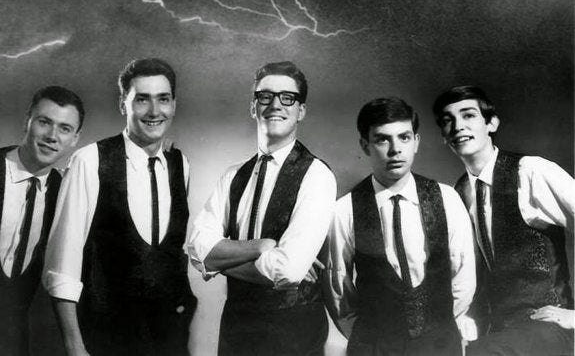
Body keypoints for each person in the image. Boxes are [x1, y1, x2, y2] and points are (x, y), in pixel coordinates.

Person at [43, 58, 196, 356]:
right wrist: (75, 349)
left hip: (169, 342)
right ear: (123, 104)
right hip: (105, 341)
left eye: (163, 99)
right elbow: (63, 266)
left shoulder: (181, 165)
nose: (154, 111)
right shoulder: (90, 161)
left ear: (174, 104)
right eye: (142, 99)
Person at [189, 61, 336, 356]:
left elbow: (287, 270)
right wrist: (262, 247)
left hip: (294, 337)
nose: (275, 105)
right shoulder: (233, 176)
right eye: (265, 96)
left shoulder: (317, 175)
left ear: (301, 111)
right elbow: (196, 249)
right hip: (236, 333)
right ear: (253, 107)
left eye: (287, 98)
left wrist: (220, 263)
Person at [324, 97, 476, 356]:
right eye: (382, 140)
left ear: (416, 141)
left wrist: (438, 329)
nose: (395, 150)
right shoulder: (344, 210)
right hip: (375, 347)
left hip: (439, 344)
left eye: (404, 138)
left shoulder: (446, 198)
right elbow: (338, 291)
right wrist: (371, 340)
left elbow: (463, 276)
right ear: (365, 145)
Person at [432, 85, 574, 356]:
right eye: (448, 120)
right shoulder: (457, 195)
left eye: (468, 115)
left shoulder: (530, 171)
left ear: (492, 123)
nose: (458, 126)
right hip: (500, 334)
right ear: (443, 136)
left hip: (548, 331)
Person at [0, 86, 83, 356]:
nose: (52, 136)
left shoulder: (66, 191)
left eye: (65, 129)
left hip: (14, 342)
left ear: (75, 139)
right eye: (44, 122)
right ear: (27, 121)